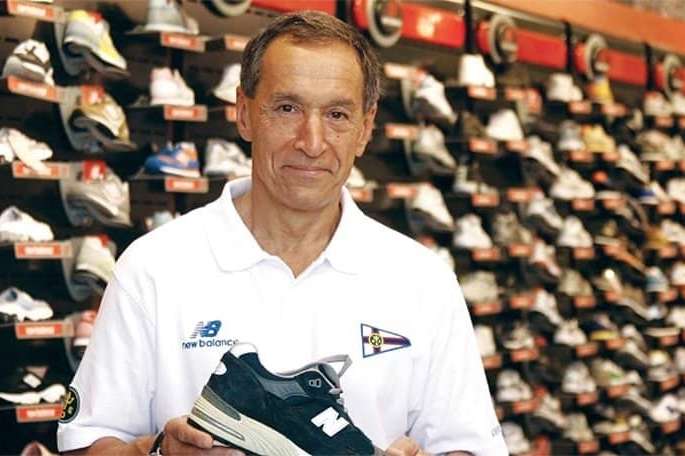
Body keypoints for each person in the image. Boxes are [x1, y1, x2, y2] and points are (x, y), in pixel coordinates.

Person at [57, 10, 507, 456]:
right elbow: (85, 445)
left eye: (337, 114)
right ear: (244, 113)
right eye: (287, 108)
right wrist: (157, 452)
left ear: (365, 129)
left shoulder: (424, 281)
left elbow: (468, 446)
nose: (311, 142)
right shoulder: (153, 266)